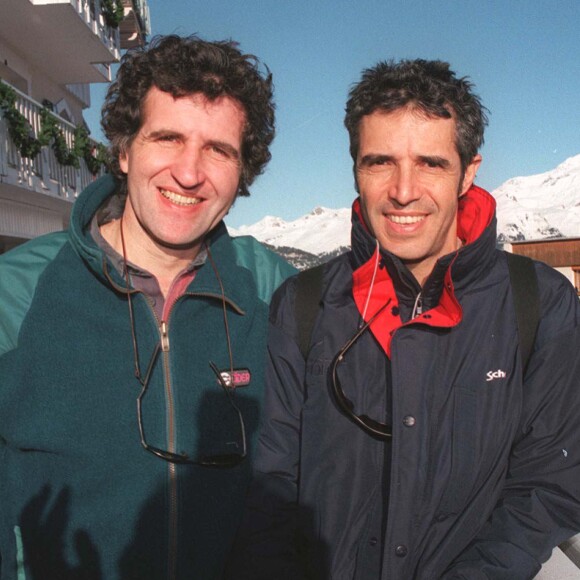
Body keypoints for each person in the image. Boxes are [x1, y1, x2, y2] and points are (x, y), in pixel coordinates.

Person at [227, 59, 580, 579]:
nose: (403, 190)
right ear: (355, 170)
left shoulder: (537, 303)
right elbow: (273, 483)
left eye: (431, 164)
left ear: (469, 171)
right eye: (379, 163)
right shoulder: (303, 305)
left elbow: (550, 481)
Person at [0, 35, 295, 579]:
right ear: (124, 149)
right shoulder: (17, 294)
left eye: (219, 150)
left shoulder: (274, 289)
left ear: (242, 172)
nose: (189, 172)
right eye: (168, 137)